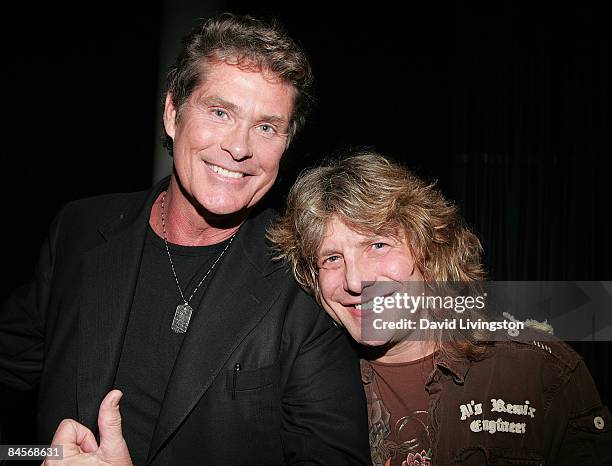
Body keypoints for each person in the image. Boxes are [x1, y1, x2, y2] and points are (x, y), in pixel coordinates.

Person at [0, 14, 371, 465]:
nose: (239, 148)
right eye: (220, 112)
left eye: (267, 127)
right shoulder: (80, 229)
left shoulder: (304, 278)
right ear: (172, 113)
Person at [269, 151, 612, 465]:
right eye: (332, 258)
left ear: (429, 249)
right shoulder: (297, 385)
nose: (356, 281)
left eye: (378, 244)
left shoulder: (538, 370)